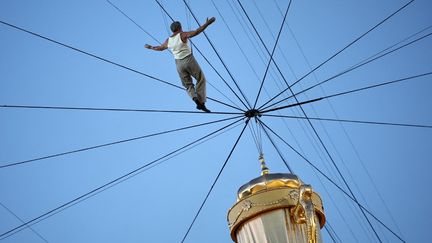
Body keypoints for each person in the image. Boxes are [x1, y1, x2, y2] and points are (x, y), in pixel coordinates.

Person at [145, 17, 216, 112]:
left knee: (187, 85)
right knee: (200, 78)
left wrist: (150, 47)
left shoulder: (168, 40)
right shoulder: (182, 35)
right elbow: (196, 32)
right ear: (180, 28)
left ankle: (195, 99)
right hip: (189, 60)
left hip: (179, 65)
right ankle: (201, 102)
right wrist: (207, 24)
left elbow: (160, 48)